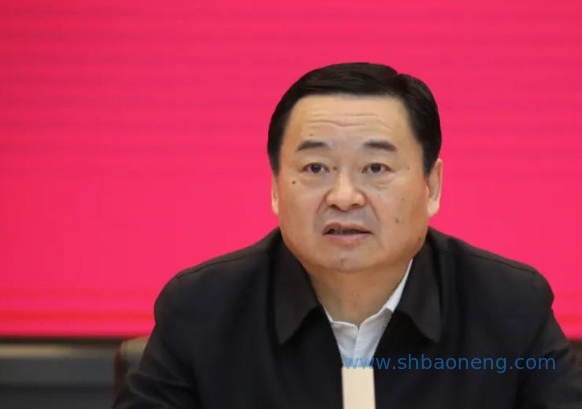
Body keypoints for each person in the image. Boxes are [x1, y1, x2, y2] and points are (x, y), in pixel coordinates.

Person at [113, 62, 582, 408]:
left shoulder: (508, 307)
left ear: (432, 186)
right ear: (276, 188)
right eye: (315, 168)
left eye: (375, 168)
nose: (343, 196)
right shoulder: (203, 309)